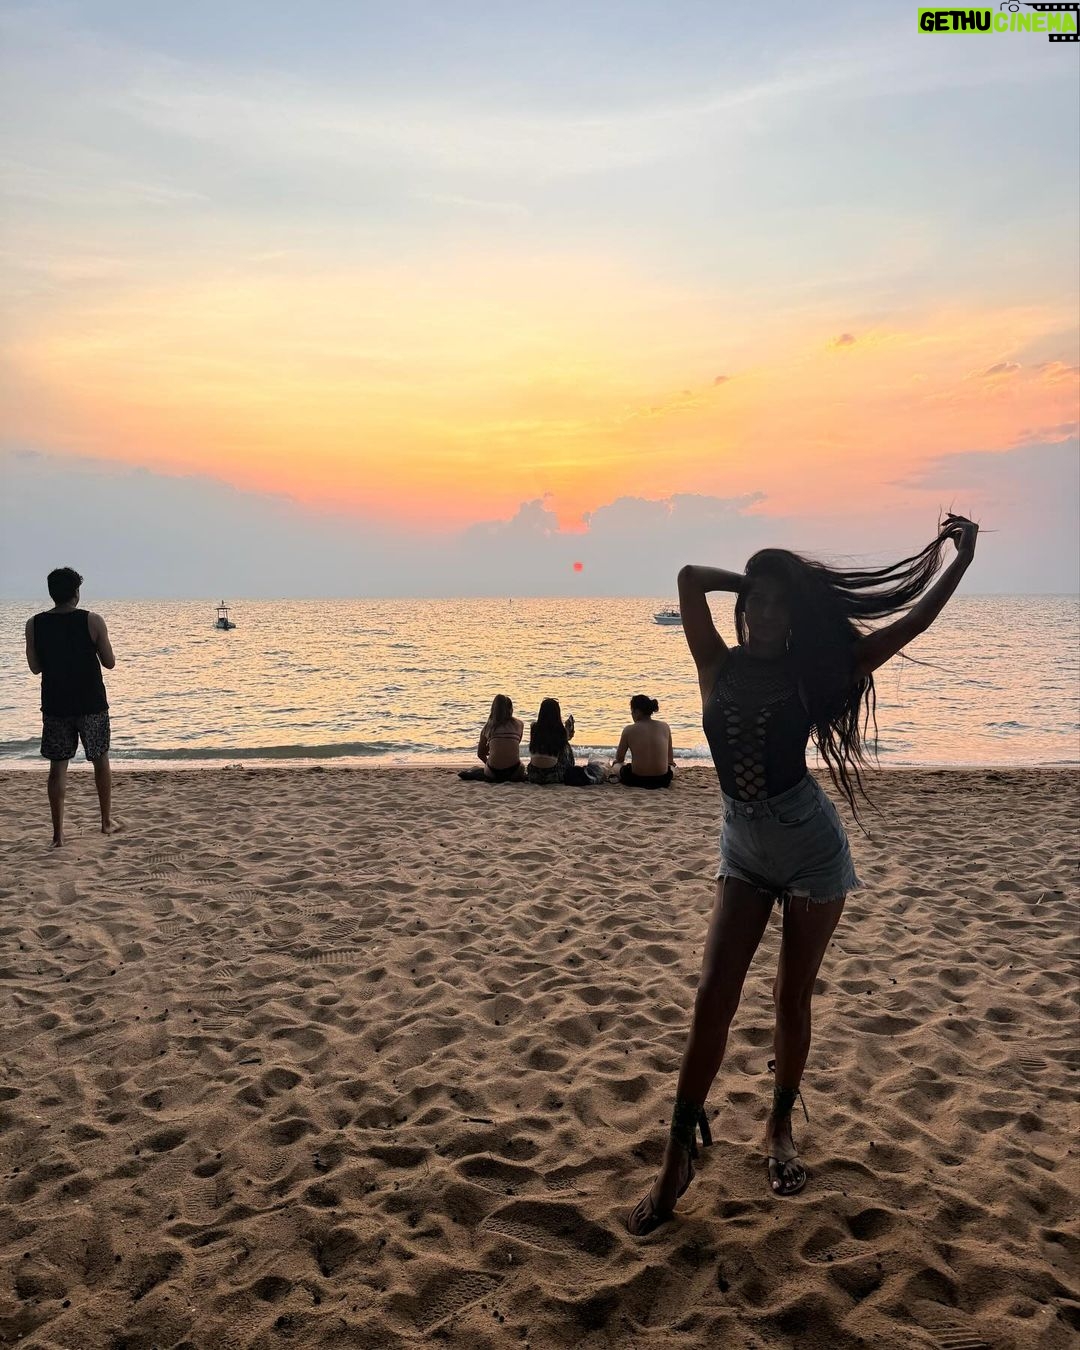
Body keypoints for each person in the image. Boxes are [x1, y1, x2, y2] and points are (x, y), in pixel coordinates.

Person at [626, 514, 979, 1235]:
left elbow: (908, 627)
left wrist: (961, 563)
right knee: (712, 997)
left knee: (791, 997)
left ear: (794, 618)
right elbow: (689, 578)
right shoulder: (715, 663)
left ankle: (779, 1129)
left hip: (811, 850)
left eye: (779, 604)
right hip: (743, 847)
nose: (763, 613)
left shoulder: (812, 677)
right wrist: (761, 579)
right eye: (756, 601)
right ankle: (677, 1153)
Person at [25, 567, 117, 847]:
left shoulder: (34, 624)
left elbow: (35, 667)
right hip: (91, 703)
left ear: (52, 593)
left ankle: (58, 835)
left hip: (56, 705)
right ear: (76, 592)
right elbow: (110, 662)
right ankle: (105, 822)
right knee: (100, 761)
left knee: (57, 769)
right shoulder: (93, 620)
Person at [613, 695, 675, 788]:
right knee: (672, 767)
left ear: (637, 711)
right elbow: (670, 759)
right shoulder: (665, 726)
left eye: (632, 711)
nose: (632, 714)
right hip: (663, 780)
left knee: (616, 765)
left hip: (636, 779)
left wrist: (618, 763)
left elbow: (619, 758)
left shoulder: (628, 730)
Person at [475, 694, 526, 782]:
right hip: (514, 772)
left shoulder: (488, 727)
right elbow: (514, 744)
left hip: (493, 773)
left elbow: (480, 754)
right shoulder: (519, 724)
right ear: (511, 709)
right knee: (522, 765)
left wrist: (488, 763)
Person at [527, 698, 575, 785]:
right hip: (553, 776)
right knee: (566, 745)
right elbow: (563, 741)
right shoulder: (559, 729)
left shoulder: (534, 728)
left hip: (533, 774)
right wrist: (568, 729)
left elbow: (547, 739)